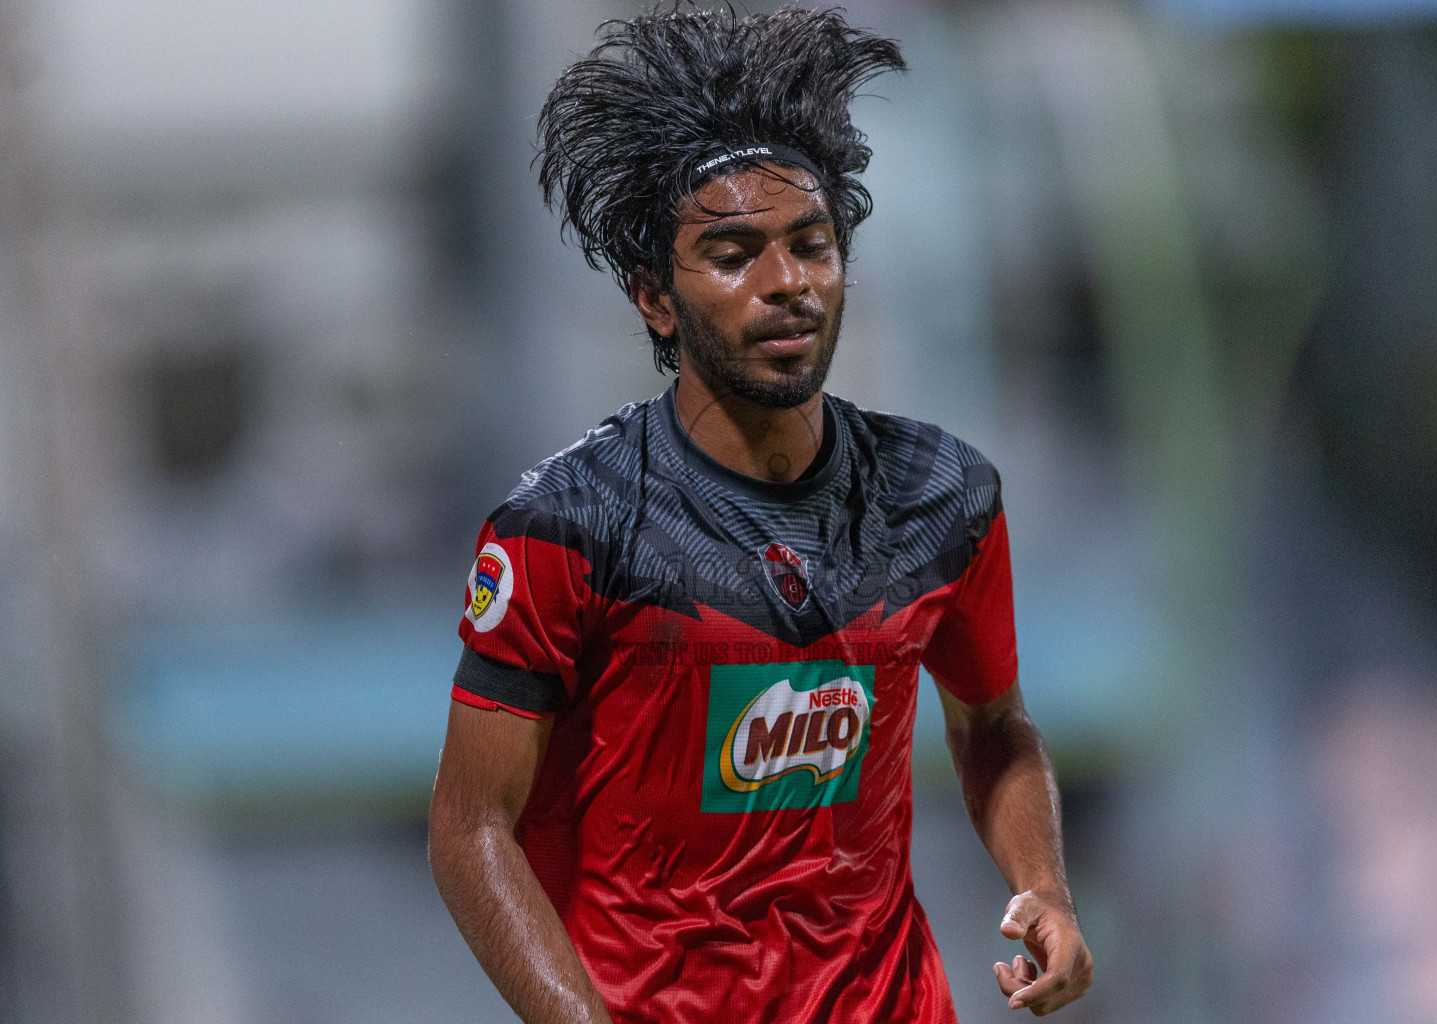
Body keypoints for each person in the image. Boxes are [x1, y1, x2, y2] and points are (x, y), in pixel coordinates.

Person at [427, 5, 1092, 1022]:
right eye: (735, 254)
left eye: (812, 245)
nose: (787, 284)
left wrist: (1043, 885)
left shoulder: (941, 499)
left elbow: (994, 726)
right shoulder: (566, 531)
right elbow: (472, 829)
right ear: (655, 296)